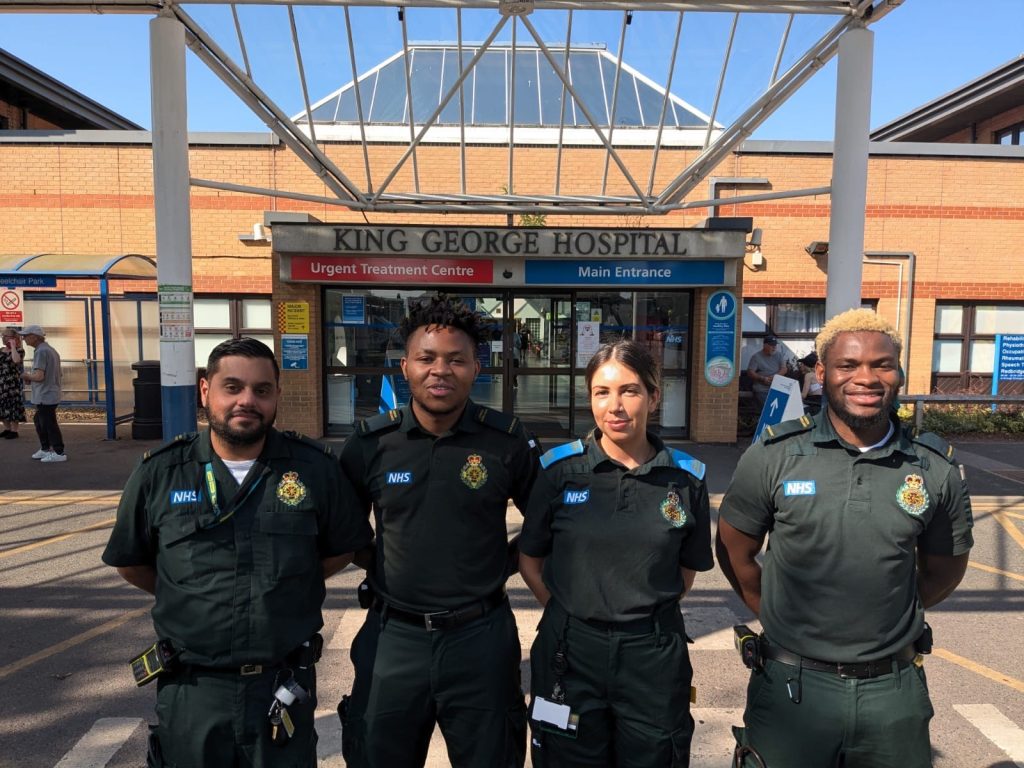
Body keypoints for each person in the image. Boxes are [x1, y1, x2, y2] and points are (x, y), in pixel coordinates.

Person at [716, 309, 974, 768]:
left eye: (882, 364)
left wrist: (882, 616)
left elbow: (943, 570)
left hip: (892, 691)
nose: (866, 378)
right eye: (848, 365)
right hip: (791, 687)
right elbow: (735, 548)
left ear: (898, 373)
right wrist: (773, 611)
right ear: (822, 373)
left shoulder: (934, 468)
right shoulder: (774, 456)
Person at [102, 337, 371, 767]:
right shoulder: (161, 472)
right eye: (233, 387)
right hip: (194, 690)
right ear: (206, 390)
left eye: (262, 390)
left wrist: (281, 584)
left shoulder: (315, 469)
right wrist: (188, 593)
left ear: (277, 395)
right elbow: (131, 561)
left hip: (282, 683)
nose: (247, 400)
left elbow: (342, 548)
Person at [339, 295, 538, 768]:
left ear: (476, 367)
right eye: (427, 358)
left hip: (482, 637)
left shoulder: (506, 441)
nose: (440, 370)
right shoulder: (371, 443)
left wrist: (502, 561)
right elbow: (344, 532)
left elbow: (547, 524)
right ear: (405, 365)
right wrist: (386, 562)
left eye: (456, 359)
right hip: (393, 637)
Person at [519, 340, 713, 768]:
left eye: (630, 390)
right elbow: (530, 561)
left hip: (652, 654)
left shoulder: (685, 480)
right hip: (569, 652)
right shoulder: (559, 471)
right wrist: (567, 613)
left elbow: (685, 572)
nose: (616, 405)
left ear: (654, 396)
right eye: (601, 392)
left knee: (656, 756)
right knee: (564, 753)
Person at [19, 325, 65, 462]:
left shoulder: (41, 352)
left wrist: (26, 376)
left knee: (48, 423)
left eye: (26, 336)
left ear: (34, 337)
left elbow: (39, 376)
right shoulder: (50, 350)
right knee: (40, 420)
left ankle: (58, 452)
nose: (24, 338)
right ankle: (46, 449)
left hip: (45, 394)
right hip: (50, 392)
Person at [0, 327, 25, 439]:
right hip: (1, 383)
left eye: (6, 336)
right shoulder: (1, 350)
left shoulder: (19, 350)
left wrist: (13, 346)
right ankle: (7, 428)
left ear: (14, 338)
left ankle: (14, 431)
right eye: (3, 336)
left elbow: (16, 361)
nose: (4, 338)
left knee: (13, 405)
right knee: (2, 406)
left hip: (12, 384)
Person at [746, 334, 784, 408]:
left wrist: (775, 376)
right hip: (762, 389)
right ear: (765, 345)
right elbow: (750, 372)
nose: (774, 347)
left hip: (777, 388)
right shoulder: (756, 357)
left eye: (775, 345)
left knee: (779, 409)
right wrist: (762, 378)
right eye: (771, 345)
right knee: (768, 409)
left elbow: (784, 369)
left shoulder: (779, 355)